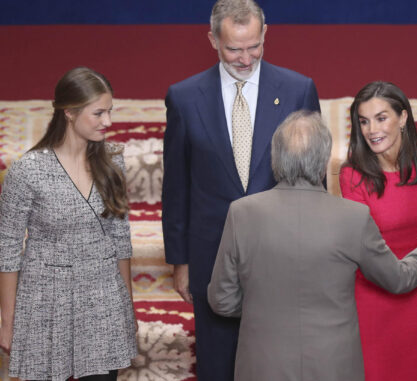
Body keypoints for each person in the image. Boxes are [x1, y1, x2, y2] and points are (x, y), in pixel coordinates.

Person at [207, 110, 417, 381]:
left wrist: (264, 309)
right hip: (334, 366)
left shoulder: (241, 213)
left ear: (276, 158)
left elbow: (222, 300)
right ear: (323, 162)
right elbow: (398, 279)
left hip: (262, 365)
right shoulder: (353, 216)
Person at [161, 0, 321, 378]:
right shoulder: (184, 98)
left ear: (265, 34)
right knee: (218, 361)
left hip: (283, 251)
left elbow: (314, 179)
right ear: (213, 40)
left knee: (280, 364)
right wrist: (180, 261)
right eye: (234, 48)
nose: (246, 58)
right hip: (211, 254)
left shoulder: (298, 90)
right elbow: (177, 185)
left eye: (254, 46)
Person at [0, 67, 137, 380]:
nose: (108, 122)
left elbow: (120, 239)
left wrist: (125, 308)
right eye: (99, 113)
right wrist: (8, 322)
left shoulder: (113, 162)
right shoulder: (27, 171)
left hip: (102, 299)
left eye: (110, 112)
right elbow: (6, 249)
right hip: (44, 303)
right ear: (70, 113)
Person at [339, 81, 417, 381]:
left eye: (381, 118)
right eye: (364, 121)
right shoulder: (352, 175)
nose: (371, 130)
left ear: (403, 117)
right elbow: (366, 249)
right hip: (376, 294)